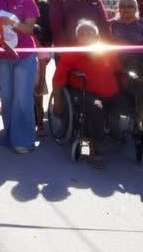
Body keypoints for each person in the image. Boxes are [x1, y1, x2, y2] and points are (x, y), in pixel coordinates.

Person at [53, 21, 129, 168]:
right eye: (81, 33)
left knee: (126, 102)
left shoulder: (105, 50)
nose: (85, 35)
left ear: (96, 35)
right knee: (96, 108)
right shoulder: (71, 53)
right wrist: (57, 101)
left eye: (89, 33)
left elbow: (118, 70)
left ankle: (118, 132)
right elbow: (58, 79)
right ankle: (96, 146)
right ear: (77, 37)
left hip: (110, 91)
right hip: (85, 91)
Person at [0, 0, 40, 154]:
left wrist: (12, 22)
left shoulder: (28, 2)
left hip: (25, 56)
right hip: (4, 56)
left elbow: (29, 30)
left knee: (22, 99)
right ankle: (9, 135)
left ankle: (24, 140)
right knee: (7, 97)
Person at [108, 0, 143, 130]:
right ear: (118, 8)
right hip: (117, 68)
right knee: (117, 97)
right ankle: (115, 124)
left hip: (140, 67)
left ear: (136, 8)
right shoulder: (110, 24)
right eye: (122, 6)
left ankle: (137, 122)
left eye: (130, 6)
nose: (126, 9)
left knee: (139, 98)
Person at [21, 0, 51, 138]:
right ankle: (27, 122)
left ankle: (40, 124)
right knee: (24, 91)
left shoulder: (44, 5)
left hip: (40, 49)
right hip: (21, 51)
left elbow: (48, 30)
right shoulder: (17, 4)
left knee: (38, 88)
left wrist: (44, 52)